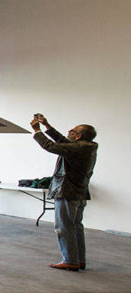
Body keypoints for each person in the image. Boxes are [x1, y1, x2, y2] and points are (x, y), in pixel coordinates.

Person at [31, 114, 98, 271]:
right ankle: (78, 259)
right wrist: (47, 126)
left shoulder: (78, 148)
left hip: (67, 191)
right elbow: (63, 142)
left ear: (79, 135)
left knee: (64, 226)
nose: (69, 132)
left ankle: (70, 260)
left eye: (73, 131)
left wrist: (37, 131)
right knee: (76, 227)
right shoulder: (86, 147)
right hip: (79, 192)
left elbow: (50, 146)